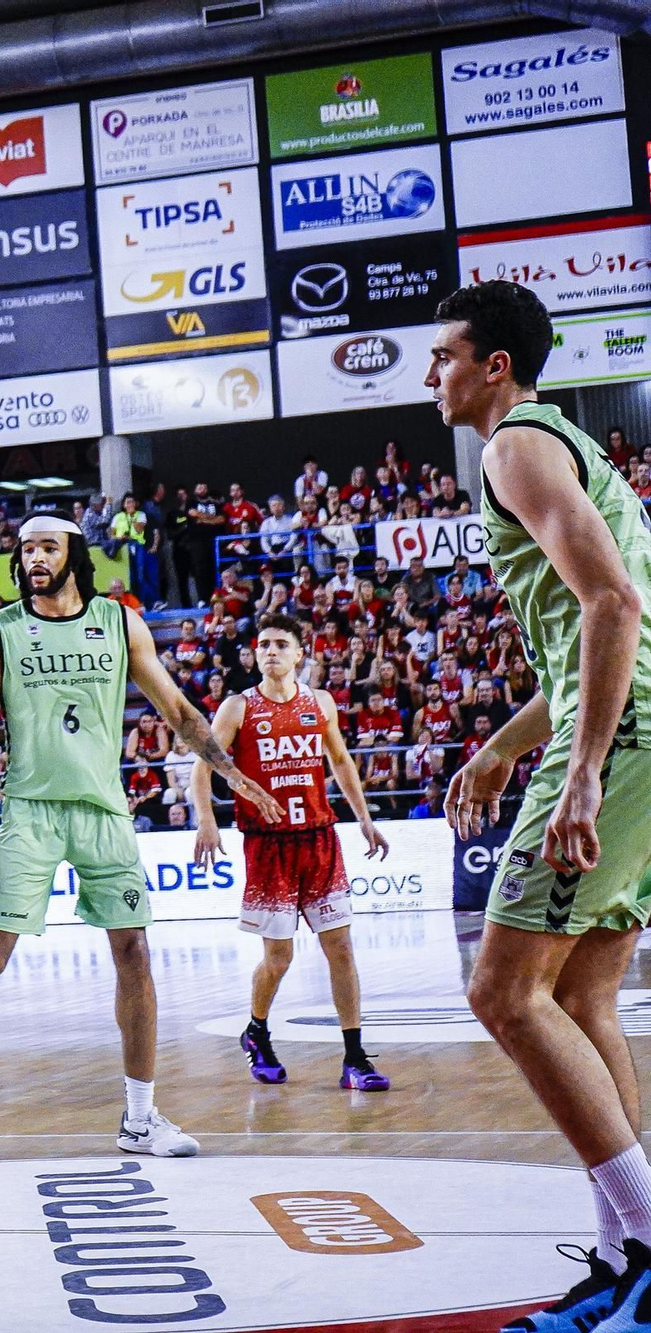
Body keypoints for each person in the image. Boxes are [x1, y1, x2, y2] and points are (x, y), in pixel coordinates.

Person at [0, 515, 282, 1161]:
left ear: (74, 555)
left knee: (135, 953)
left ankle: (140, 1119)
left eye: (47, 546)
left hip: (104, 810)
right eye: (25, 547)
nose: (33, 557)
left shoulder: (120, 622)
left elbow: (177, 710)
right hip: (31, 807)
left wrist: (233, 775)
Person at [431, 284, 651, 1333]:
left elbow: (612, 603)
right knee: (583, 1000)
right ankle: (622, 1269)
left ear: (493, 368)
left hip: (624, 737)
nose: (429, 375)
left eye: (442, 357)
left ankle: (650, 1248)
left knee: (503, 993)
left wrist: (578, 768)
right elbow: (586, 634)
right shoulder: (561, 445)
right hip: (638, 726)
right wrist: (499, 746)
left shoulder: (511, 445)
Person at [191, 615, 393, 1091]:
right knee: (278, 958)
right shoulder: (238, 707)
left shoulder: (319, 701)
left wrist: (364, 818)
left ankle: (354, 1057)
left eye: (281, 644)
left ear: (301, 654)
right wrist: (206, 821)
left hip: (320, 837)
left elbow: (340, 759)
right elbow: (203, 769)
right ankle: (257, 1031)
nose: (270, 651)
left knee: (340, 948)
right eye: (263, 645)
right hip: (268, 843)